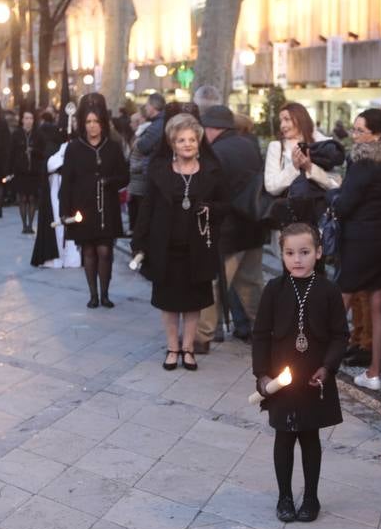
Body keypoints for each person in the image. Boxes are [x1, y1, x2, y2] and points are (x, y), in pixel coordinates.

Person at [252, 221, 349, 522]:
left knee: (310, 439)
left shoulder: (329, 290)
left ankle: (310, 497)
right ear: (281, 254)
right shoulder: (274, 289)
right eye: (290, 253)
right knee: (284, 438)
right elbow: (261, 334)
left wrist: (328, 366)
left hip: (312, 379)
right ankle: (284, 497)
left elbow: (339, 334)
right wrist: (262, 374)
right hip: (282, 382)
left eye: (304, 252)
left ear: (319, 252)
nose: (297, 259)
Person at [133, 113, 229, 370]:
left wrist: (209, 208)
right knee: (169, 302)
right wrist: (139, 242)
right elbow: (147, 209)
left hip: (198, 248)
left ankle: (188, 348)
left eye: (191, 139)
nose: (187, 144)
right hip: (165, 247)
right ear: (172, 144)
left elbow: (224, 205)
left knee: (193, 302)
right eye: (180, 140)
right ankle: (172, 347)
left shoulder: (211, 171)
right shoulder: (159, 172)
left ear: (198, 141)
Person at [332, 109, 381, 390]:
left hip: (360, 237)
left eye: (359, 130)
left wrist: (334, 197)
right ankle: (374, 372)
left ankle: (319, 363)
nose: (354, 136)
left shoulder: (362, 161)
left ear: (375, 133)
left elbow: (346, 203)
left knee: (342, 300)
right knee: (379, 303)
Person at [195, 104, 265, 352]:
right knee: (251, 283)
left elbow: (211, 191)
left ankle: (202, 337)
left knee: (213, 283)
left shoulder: (215, 152)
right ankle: (263, 331)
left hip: (228, 230)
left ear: (212, 128)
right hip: (253, 226)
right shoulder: (249, 144)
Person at [61, 92, 129, 307]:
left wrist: (110, 182)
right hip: (83, 206)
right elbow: (67, 182)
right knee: (89, 250)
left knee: (105, 250)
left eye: (96, 122)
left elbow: (124, 176)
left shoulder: (113, 147)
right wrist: (65, 211)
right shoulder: (74, 148)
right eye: (88, 122)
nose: (92, 126)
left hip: (106, 207)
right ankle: (93, 294)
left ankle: (105, 292)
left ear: (103, 123)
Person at [264, 102, 341, 232]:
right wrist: (294, 167)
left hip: (319, 219)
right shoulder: (276, 147)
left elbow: (335, 185)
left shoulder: (323, 146)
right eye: (281, 121)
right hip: (288, 221)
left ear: (300, 119)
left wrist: (309, 167)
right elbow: (272, 187)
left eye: (287, 119)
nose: (282, 125)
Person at [30, 111, 80, 270]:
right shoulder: (53, 146)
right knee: (57, 222)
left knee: (70, 222)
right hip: (55, 188)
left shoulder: (75, 144)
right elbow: (50, 165)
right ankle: (55, 255)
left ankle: (71, 257)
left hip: (71, 190)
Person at [129, 92, 166, 231]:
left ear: (153, 107)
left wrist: (139, 141)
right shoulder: (157, 123)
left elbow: (144, 146)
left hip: (151, 174)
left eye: (148, 105)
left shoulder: (157, 125)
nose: (147, 108)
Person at [11, 109, 43, 234]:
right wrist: (11, 170)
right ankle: (24, 225)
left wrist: (33, 151)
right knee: (23, 198)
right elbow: (12, 153)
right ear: (22, 120)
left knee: (32, 199)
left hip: (33, 172)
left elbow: (43, 153)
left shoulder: (38, 135)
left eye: (31, 118)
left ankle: (31, 224)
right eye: (26, 118)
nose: (29, 121)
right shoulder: (16, 134)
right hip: (21, 172)